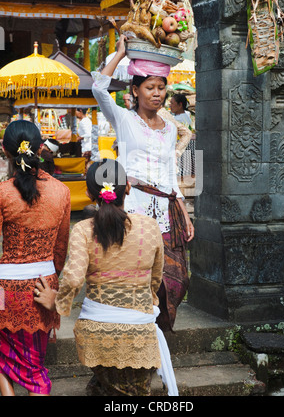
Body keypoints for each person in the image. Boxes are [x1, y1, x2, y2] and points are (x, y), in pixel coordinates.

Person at [34, 159, 178, 396]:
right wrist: (144, 302)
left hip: (97, 335)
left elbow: (72, 279)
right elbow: (156, 278)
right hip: (138, 335)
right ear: (128, 188)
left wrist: (57, 302)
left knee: (104, 388)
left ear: (90, 194)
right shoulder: (150, 227)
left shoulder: (83, 230)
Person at [91, 35, 194, 332]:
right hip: (133, 207)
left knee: (175, 281)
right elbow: (99, 87)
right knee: (137, 277)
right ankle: (137, 336)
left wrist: (184, 211)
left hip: (165, 209)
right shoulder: (123, 119)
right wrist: (120, 55)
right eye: (150, 88)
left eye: (161, 88)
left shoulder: (170, 130)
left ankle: (158, 335)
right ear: (135, 90)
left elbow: (170, 173)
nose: (157, 94)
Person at [0, 120, 71, 396]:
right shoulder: (61, 192)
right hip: (44, 287)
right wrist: (52, 281)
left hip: (4, 291)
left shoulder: (3, 192)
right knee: (35, 369)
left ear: (6, 152)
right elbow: (61, 250)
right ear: (40, 149)